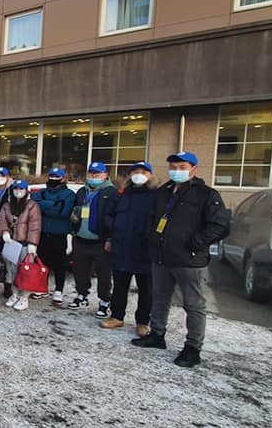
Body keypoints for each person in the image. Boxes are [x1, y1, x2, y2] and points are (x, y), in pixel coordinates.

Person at [133, 152, 230, 368]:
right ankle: (157, 334)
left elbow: (220, 226)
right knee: (160, 298)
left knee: (193, 304)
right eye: (173, 167)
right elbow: (152, 219)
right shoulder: (164, 192)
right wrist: (152, 239)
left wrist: (196, 243)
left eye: (182, 167)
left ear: (193, 169)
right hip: (161, 257)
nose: (177, 171)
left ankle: (193, 347)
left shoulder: (206, 194)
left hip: (188, 260)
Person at [101, 162, 156, 335]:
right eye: (135, 172)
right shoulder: (121, 194)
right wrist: (113, 232)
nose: (139, 175)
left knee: (146, 288)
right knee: (120, 285)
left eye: (143, 172)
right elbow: (108, 215)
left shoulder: (156, 196)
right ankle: (117, 316)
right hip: (121, 246)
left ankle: (143, 321)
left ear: (150, 175)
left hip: (144, 249)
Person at [68, 162, 119, 316]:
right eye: (91, 173)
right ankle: (82, 295)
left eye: (97, 173)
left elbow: (115, 217)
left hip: (100, 241)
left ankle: (104, 301)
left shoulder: (112, 192)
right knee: (80, 271)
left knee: (103, 274)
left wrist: (110, 238)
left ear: (105, 175)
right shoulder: (82, 191)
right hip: (81, 238)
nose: (93, 176)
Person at [31, 167, 76, 307]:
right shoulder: (41, 192)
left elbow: (63, 212)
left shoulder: (69, 194)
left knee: (59, 263)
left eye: (57, 177)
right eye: (51, 176)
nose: (53, 179)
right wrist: (55, 204)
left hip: (59, 233)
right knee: (42, 261)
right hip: (43, 232)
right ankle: (42, 287)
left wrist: (45, 207)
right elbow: (35, 206)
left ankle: (58, 290)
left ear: (63, 179)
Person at [0, 179, 43, 308]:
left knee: (26, 271)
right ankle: (15, 294)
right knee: (12, 271)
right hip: (11, 243)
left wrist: (32, 243)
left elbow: (35, 225)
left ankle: (24, 297)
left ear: (26, 191)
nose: (18, 191)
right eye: (16, 189)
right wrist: (4, 231)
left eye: (21, 189)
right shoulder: (7, 206)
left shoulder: (32, 206)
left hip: (26, 244)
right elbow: (1, 220)